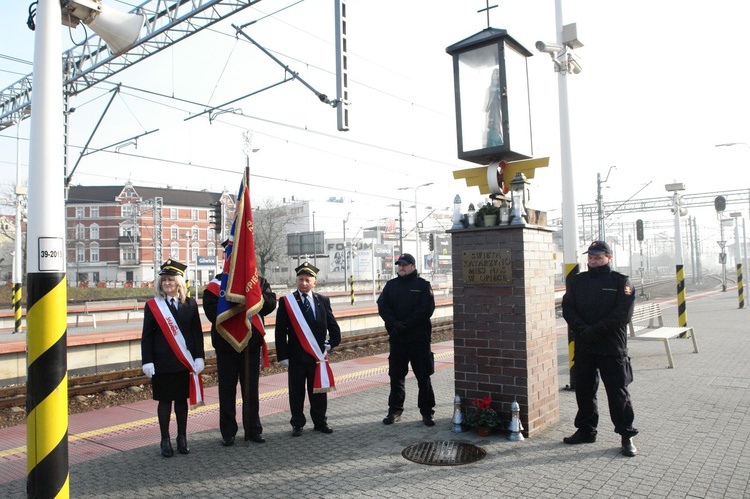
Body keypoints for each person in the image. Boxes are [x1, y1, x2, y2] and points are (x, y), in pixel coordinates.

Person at [562, 241, 638, 457]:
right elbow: (568, 307)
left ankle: (627, 436)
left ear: (608, 258)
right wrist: (582, 328)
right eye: (591, 258)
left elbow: (623, 314)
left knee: (617, 393)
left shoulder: (621, 282)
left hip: (611, 346)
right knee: (585, 391)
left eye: (598, 258)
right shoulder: (578, 281)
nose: (593, 261)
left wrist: (595, 329)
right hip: (585, 345)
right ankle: (586, 430)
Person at [203, 273, 277, 446]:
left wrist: (251, 297)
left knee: (251, 390)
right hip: (226, 345)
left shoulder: (258, 280)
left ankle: (253, 429)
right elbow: (211, 311)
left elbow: (271, 303)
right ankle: (228, 433)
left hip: (250, 345)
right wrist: (235, 302)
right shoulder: (216, 284)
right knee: (227, 391)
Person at [141, 259, 205, 458]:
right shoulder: (153, 306)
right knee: (164, 402)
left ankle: (182, 438)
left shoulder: (190, 304)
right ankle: (165, 440)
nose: (166, 283)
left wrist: (199, 357)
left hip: (182, 361)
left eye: (170, 280)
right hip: (161, 362)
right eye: (163, 280)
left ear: (178, 282)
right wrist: (147, 361)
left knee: (181, 401)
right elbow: (147, 335)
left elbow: (197, 334)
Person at [275, 262, 341, 437]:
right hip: (296, 357)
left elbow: (333, 326)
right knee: (296, 392)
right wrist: (282, 355)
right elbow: (280, 331)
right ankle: (297, 423)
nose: (303, 283)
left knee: (319, 391)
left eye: (307, 280)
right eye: (300, 280)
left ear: (314, 283)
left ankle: (320, 422)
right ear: (296, 281)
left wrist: (332, 342)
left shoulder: (323, 301)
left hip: (317, 357)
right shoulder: (287, 302)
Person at [377, 253, 436, 426]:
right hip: (398, 339)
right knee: (396, 377)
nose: (401, 267)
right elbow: (383, 307)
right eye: (399, 264)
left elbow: (426, 310)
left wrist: (406, 324)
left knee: (423, 376)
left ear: (413, 266)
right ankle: (394, 411)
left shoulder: (423, 285)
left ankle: (427, 412)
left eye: (405, 264)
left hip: (419, 340)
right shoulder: (391, 286)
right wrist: (395, 323)